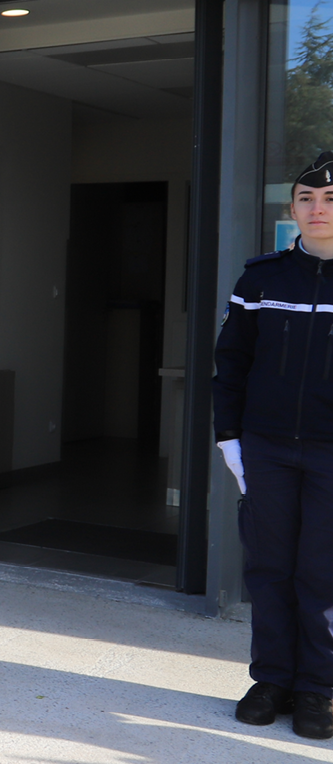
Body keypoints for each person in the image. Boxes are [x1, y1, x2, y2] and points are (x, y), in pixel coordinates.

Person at [214, 151, 333, 741]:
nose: (318, 210)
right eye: (307, 199)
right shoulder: (260, 279)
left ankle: (320, 688)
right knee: (268, 567)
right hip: (266, 448)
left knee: (323, 572)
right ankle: (274, 678)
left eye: (331, 200)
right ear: (292, 209)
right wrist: (228, 438)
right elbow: (230, 363)